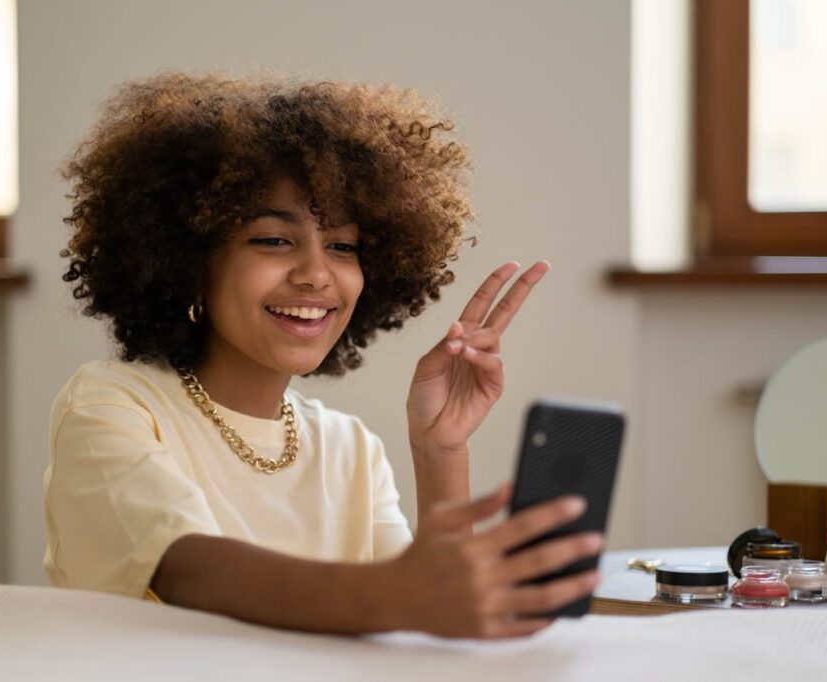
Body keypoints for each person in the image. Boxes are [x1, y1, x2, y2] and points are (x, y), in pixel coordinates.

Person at [43, 73, 601, 640]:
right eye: (273, 240)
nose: (315, 274)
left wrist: (439, 450)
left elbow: (431, 609)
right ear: (188, 261)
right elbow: (193, 573)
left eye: (342, 246)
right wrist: (409, 596)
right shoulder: (111, 406)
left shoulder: (350, 448)